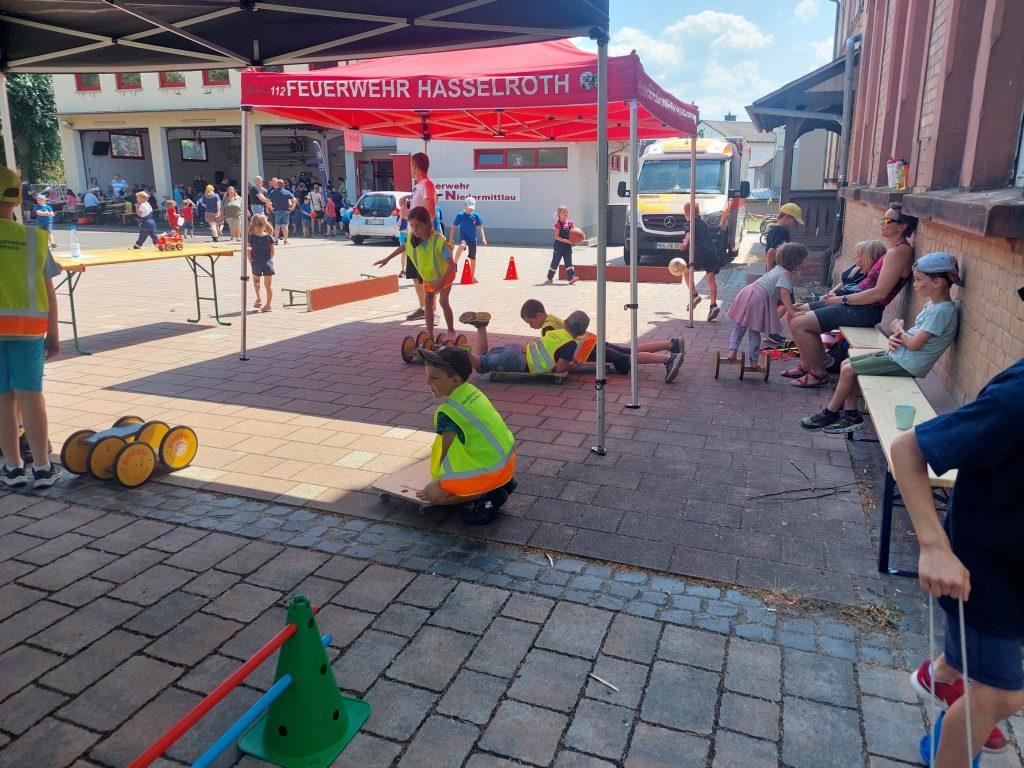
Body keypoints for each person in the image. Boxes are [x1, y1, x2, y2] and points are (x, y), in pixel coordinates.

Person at [890, 352, 1024, 764]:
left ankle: (943, 675)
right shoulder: (1016, 400)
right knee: (1001, 693)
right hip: (984, 577)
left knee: (987, 673)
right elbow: (908, 450)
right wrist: (934, 547)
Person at [801, 252, 961, 434]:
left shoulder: (942, 311)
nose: (915, 285)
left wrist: (898, 330)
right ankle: (851, 414)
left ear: (937, 282)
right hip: (900, 355)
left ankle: (830, 412)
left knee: (848, 369)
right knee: (847, 362)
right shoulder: (933, 306)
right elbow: (917, 338)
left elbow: (915, 344)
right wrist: (897, 338)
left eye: (918, 280)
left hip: (908, 363)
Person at [785, 205, 917, 387]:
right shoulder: (892, 250)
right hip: (855, 304)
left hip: (864, 310)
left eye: (887, 220)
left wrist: (841, 299)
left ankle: (818, 373)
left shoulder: (899, 252)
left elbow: (880, 293)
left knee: (800, 323)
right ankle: (808, 364)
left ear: (902, 226)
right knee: (793, 312)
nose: (882, 223)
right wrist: (839, 294)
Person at [0, 167, 62, 489]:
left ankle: (11, 467)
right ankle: (41, 467)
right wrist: (53, 335)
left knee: (2, 399)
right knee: (30, 396)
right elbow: (48, 291)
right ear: (17, 198)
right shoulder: (33, 239)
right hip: (27, 331)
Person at [416, 345, 517, 525]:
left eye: (434, 378)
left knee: (432, 494)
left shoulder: (448, 411)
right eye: (427, 377)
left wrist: (440, 482)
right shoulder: (472, 391)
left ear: (454, 381)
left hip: (490, 470)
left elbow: (444, 452)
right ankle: (502, 483)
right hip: (506, 462)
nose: (428, 383)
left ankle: (489, 496)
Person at [376, 205, 457, 340]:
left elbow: (452, 265)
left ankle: (451, 330)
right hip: (429, 279)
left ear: (427, 223)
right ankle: (430, 336)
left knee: (443, 302)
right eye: (412, 226)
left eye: (417, 226)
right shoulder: (413, 238)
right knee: (428, 305)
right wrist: (387, 259)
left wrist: (442, 282)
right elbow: (404, 247)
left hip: (445, 277)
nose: (414, 230)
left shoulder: (439, 241)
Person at [725, 242, 808, 364]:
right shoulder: (787, 275)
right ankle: (753, 361)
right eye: (803, 260)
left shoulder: (778, 269)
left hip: (748, 292)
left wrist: (792, 307)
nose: (804, 263)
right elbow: (784, 294)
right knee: (754, 330)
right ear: (795, 261)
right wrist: (792, 312)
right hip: (759, 298)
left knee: (739, 325)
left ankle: (732, 351)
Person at [458, 301, 577, 376]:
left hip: (518, 349)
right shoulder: (564, 338)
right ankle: (465, 353)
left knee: (483, 359)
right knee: (481, 364)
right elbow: (559, 367)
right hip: (519, 360)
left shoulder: (554, 325)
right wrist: (569, 362)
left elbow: (551, 350)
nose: (531, 326)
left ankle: (481, 326)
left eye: (530, 323)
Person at [564, 310, 684, 383]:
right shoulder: (573, 331)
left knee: (627, 358)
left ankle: (668, 359)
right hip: (594, 341)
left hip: (591, 351)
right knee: (631, 352)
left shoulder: (560, 335)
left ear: (565, 323)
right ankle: (672, 344)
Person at [400, 153, 438, 320]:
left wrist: (407, 213)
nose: (410, 169)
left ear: (415, 166)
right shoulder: (418, 186)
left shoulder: (428, 185)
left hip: (423, 237)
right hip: (413, 237)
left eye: (411, 165)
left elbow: (430, 212)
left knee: (426, 276)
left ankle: (433, 311)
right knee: (414, 275)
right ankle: (423, 308)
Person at [805, 239, 887, 303]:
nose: (855, 257)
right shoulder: (856, 268)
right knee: (809, 297)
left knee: (811, 302)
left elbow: (855, 294)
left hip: (842, 300)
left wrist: (834, 297)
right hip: (836, 295)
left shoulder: (867, 277)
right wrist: (831, 292)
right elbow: (843, 283)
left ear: (868, 259)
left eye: (858, 256)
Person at [678, 201, 721, 319]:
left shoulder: (689, 222)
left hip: (697, 252)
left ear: (686, 213)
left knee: (686, 273)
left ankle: (694, 295)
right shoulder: (703, 223)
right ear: (698, 212)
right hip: (710, 252)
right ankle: (713, 305)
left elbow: (688, 233)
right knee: (710, 277)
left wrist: (685, 243)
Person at [450, 197, 486, 283]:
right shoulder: (460, 215)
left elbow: (480, 227)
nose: (470, 210)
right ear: (465, 205)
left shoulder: (476, 216)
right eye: (469, 208)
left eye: (471, 208)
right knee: (462, 245)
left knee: (473, 259)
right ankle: (454, 263)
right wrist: (451, 238)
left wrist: (483, 238)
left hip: (473, 239)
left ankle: (472, 276)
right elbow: (454, 226)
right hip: (464, 238)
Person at [246, 213, 275, 313]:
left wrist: (251, 261)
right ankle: (268, 305)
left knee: (256, 280)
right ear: (265, 224)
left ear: (253, 224)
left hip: (256, 262)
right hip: (267, 263)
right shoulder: (269, 237)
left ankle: (258, 299)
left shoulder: (251, 237)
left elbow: (249, 251)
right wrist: (267, 259)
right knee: (268, 286)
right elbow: (272, 252)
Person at [763, 202, 803, 270]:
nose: (795, 224)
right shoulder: (783, 232)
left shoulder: (772, 230)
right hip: (777, 269)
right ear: (786, 217)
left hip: (772, 268)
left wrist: (767, 268)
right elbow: (771, 252)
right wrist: (769, 274)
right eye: (794, 221)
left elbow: (767, 253)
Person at [548, 204, 579, 284]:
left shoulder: (570, 223)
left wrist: (579, 235)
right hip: (558, 246)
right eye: (563, 212)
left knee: (568, 262)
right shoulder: (558, 224)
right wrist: (567, 241)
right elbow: (557, 237)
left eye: (566, 212)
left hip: (567, 246)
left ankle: (571, 278)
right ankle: (550, 277)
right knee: (555, 262)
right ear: (559, 214)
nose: (565, 213)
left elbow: (575, 232)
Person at [267, 178, 296, 244]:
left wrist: (271, 208)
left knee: (277, 226)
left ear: (277, 184)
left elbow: (268, 201)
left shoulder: (273, 192)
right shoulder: (287, 192)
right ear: (283, 185)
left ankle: (276, 240)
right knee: (285, 226)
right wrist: (292, 208)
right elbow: (294, 200)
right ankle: (285, 240)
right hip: (286, 211)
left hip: (277, 211)